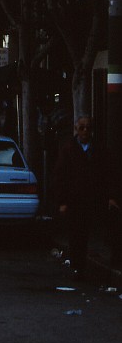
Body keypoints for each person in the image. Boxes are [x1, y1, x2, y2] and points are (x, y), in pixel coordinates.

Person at [52, 114, 119, 279]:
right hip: (76, 201)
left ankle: (115, 260)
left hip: (96, 198)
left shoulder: (100, 149)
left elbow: (110, 174)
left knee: (111, 226)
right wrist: (62, 202)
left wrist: (111, 197)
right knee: (77, 235)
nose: (85, 131)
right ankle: (78, 267)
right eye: (82, 128)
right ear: (76, 129)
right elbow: (60, 177)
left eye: (88, 128)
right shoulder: (68, 150)